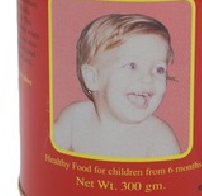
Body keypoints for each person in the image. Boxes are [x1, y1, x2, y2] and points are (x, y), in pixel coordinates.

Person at [53, 14, 181, 158]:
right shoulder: (75, 118)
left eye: (159, 69)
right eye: (132, 65)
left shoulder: (159, 139)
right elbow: (45, 153)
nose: (147, 78)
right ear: (93, 79)